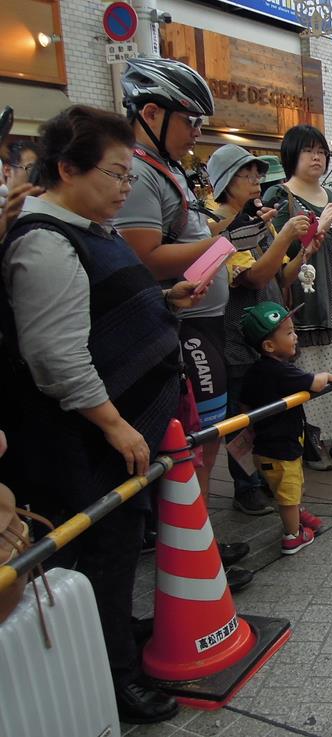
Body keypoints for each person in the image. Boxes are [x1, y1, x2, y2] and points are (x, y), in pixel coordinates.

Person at [0, 105, 205, 724]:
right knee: (95, 552)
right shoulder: (44, 241)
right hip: (79, 443)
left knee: (115, 549)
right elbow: (56, 357)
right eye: (114, 175)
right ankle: (114, 676)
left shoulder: (89, 226)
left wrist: (163, 297)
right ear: (68, 168)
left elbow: (100, 304)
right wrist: (114, 423)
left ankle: (114, 633)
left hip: (113, 434)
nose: (124, 189)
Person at [114, 57, 253, 592]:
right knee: (193, 442)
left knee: (204, 439)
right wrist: (221, 243)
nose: (196, 133)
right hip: (184, 327)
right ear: (151, 112)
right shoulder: (141, 170)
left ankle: (198, 540)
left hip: (204, 322)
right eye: (190, 120)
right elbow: (145, 255)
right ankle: (192, 555)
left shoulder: (165, 167)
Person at [207, 144, 314, 515]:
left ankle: (266, 479)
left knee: (269, 413)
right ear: (224, 180)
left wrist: (304, 249)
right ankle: (245, 486)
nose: (255, 182)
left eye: (256, 174)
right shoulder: (213, 221)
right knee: (239, 417)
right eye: (246, 175)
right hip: (236, 336)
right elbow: (252, 277)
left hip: (268, 333)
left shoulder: (259, 218)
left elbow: (282, 274)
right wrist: (284, 234)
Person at [263, 125, 332, 466]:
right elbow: (279, 256)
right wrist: (321, 225)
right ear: (291, 156)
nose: (317, 157)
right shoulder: (278, 199)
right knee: (309, 370)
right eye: (308, 151)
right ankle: (312, 442)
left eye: (320, 151)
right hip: (308, 301)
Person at [240, 302, 332, 554]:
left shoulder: (254, 371)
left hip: (264, 447)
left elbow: (243, 404)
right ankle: (293, 535)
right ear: (269, 346)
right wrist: (328, 375)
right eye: (289, 333)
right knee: (288, 493)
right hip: (281, 448)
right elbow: (315, 383)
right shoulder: (281, 372)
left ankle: (297, 514)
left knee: (290, 487)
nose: (295, 337)